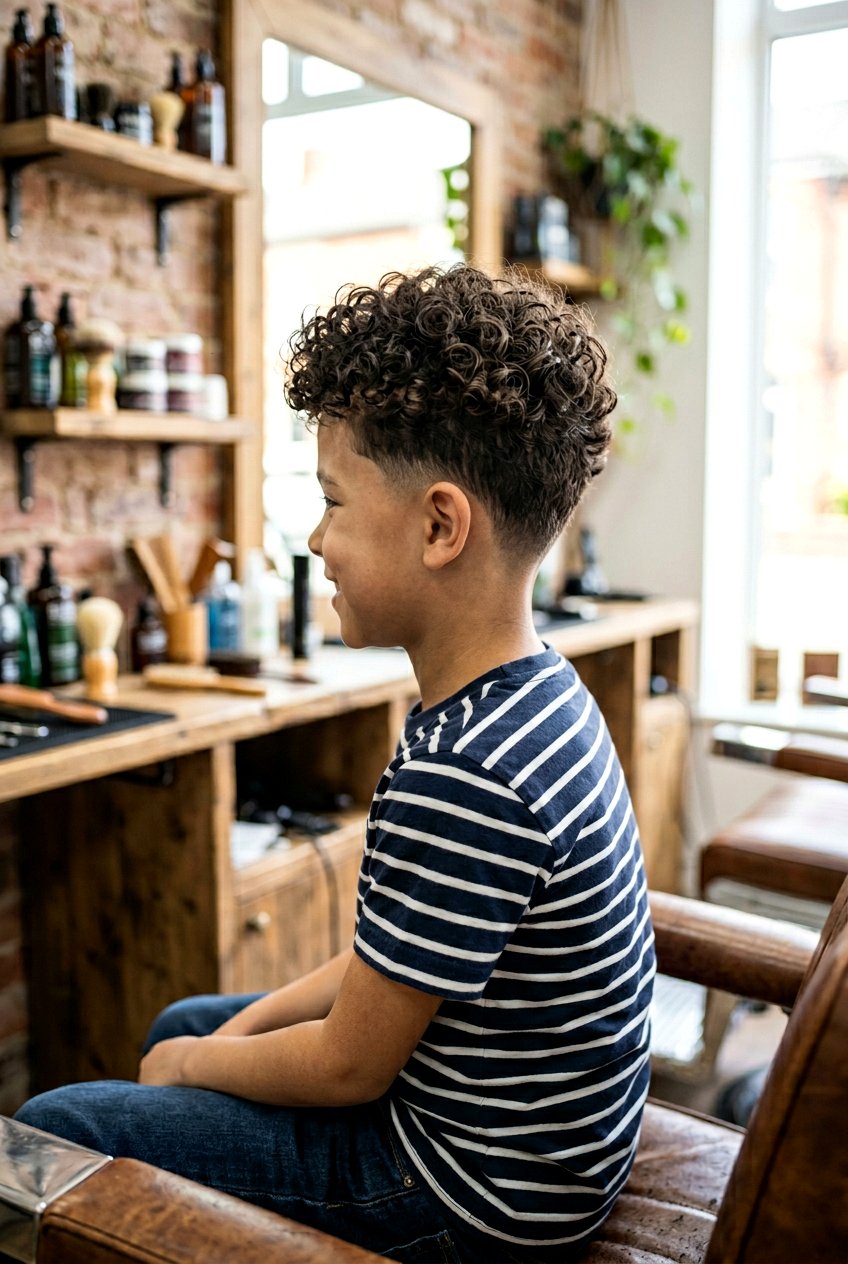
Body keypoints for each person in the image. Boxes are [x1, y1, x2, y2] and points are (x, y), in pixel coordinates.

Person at [16, 264, 655, 1264]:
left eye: (332, 502)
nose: (315, 539)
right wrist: (216, 1041)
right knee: (189, 1018)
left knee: (58, 1124)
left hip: (471, 1192)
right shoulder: (530, 692)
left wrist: (189, 1065)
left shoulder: (466, 769)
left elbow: (352, 1066)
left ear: (441, 525)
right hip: (527, 1143)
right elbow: (390, 964)